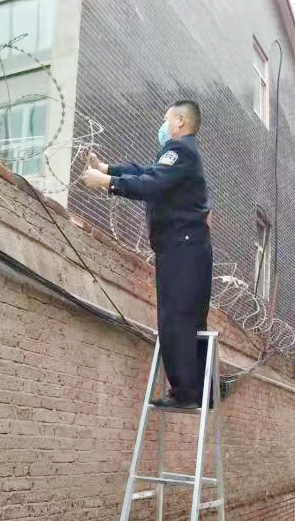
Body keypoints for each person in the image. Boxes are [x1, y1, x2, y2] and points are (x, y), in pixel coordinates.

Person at [82, 100, 213, 409]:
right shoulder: (181, 154)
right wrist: (108, 169)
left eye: (166, 119)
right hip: (185, 248)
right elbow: (146, 172)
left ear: (180, 122)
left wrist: (107, 183)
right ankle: (197, 392)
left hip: (183, 249)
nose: (163, 125)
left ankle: (185, 394)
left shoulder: (180, 151)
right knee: (185, 317)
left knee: (177, 318)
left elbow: (151, 183)